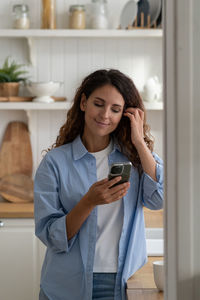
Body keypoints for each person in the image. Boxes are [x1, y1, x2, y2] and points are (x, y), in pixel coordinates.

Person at [34, 69, 164, 300]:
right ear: (84, 102)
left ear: (125, 114)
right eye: (98, 104)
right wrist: (89, 202)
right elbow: (51, 236)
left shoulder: (134, 158)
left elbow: (159, 199)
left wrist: (139, 141)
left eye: (115, 109)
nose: (105, 115)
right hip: (66, 285)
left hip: (121, 281)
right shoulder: (55, 162)